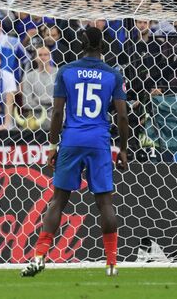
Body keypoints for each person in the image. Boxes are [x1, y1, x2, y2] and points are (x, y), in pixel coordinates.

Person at [20, 27, 129, 278]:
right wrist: (122, 149)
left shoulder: (66, 71)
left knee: (58, 199)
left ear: (80, 45)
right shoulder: (112, 74)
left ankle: (38, 257)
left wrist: (52, 145)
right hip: (99, 140)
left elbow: (57, 113)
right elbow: (122, 115)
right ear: (102, 45)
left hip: (71, 139)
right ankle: (111, 263)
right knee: (105, 202)